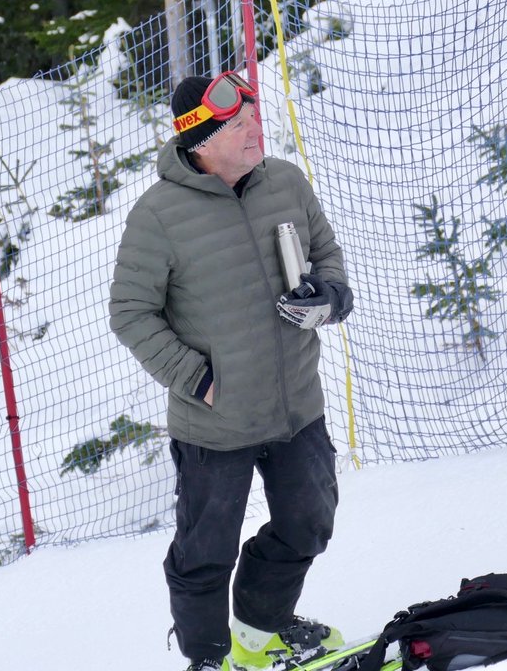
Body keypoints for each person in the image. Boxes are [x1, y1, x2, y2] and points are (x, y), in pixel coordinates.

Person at [109, 71, 355, 671]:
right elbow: (130, 311)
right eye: (239, 124)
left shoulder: (285, 182)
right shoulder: (159, 215)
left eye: (253, 117)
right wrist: (198, 380)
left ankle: (259, 626)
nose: (254, 130)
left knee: (309, 523)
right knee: (204, 552)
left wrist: (328, 297)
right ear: (201, 140)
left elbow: (328, 257)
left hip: (297, 403)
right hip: (214, 422)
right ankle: (209, 658)